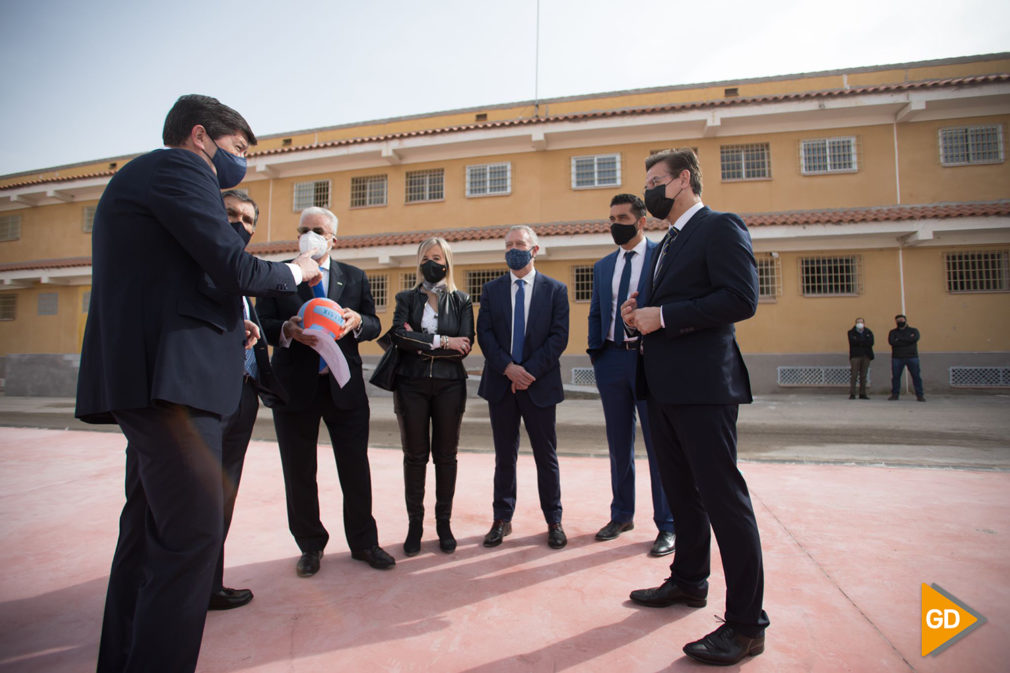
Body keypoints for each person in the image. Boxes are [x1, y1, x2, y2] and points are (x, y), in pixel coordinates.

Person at [76, 94, 322, 673]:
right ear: (199, 136)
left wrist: (230, 328)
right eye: (238, 149)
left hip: (160, 382)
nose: (242, 164)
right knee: (189, 542)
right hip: (173, 390)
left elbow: (179, 283)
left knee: (146, 536)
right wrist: (298, 269)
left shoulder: (150, 183)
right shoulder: (179, 169)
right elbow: (232, 267)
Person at [621, 149, 768, 666]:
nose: (649, 192)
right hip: (662, 388)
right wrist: (638, 316)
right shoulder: (663, 245)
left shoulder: (721, 226)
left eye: (655, 181)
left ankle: (748, 626)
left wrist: (665, 316)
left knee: (724, 500)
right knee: (684, 496)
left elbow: (741, 299)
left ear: (683, 180)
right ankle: (689, 580)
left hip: (705, 388)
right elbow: (663, 314)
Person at [257, 206, 396, 575]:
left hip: (343, 388)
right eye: (304, 229)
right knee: (299, 471)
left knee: (355, 469)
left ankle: (364, 543)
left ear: (334, 238)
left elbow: (374, 322)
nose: (310, 235)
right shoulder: (278, 275)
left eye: (318, 230)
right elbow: (262, 324)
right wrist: (286, 329)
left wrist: (357, 322)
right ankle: (310, 545)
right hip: (294, 389)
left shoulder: (354, 277)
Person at [209, 190, 288, 610]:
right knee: (189, 498)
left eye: (247, 219)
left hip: (241, 398)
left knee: (222, 495)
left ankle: (209, 583)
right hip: (202, 402)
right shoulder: (200, 262)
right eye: (230, 214)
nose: (240, 224)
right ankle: (180, 588)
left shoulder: (238, 279)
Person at [587, 193, 675, 556]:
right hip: (611, 361)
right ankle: (621, 513)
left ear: (641, 221)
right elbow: (597, 312)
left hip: (648, 360)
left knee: (660, 446)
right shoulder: (603, 266)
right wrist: (597, 354)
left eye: (622, 217)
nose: (615, 224)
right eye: (611, 218)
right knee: (618, 442)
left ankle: (669, 524)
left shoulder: (662, 257)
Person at [476, 225, 570, 550]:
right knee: (505, 455)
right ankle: (502, 519)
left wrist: (526, 372)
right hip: (501, 385)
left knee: (547, 456)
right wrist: (508, 369)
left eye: (520, 243)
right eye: (509, 244)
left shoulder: (555, 290)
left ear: (535, 249)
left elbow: (558, 338)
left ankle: (554, 520)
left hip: (539, 385)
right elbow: (484, 334)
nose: (514, 248)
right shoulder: (491, 290)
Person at [389, 238, 475, 556]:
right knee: (415, 457)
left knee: (446, 457)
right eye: (426, 257)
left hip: (450, 386)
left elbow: (465, 345)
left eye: (437, 257)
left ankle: (443, 524)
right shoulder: (405, 298)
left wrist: (420, 339)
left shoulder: (462, 300)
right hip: (410, 385)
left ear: (447, 262)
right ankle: (415, 525)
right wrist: (442, 342)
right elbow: (398, 335)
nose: (431, 263)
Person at [888, 314, 925, 401]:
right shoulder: (893, 332)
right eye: (898, 320)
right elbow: (892, 342)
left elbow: (914, 339)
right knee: (896, 377)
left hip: (912, 357)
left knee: (916, 376)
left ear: (905, 320)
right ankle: (895, 394)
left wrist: (899, 339)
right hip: (897, 357)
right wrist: (907, 340)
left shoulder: (913, 330)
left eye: (901, 320)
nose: (900, 322)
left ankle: (920, 395)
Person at [847, 317, 874, 400]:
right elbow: (853, 342)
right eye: (858, 322)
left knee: (863, 375)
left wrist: (860, 341)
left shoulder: (868, 332)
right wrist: (863, 341)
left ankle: (862, 393)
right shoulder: (851, 332)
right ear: (855, 323)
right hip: (855, 356)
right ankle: (852, 393)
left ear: (864, 323)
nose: (860, 323)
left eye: (861, 322)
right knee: (854, 375)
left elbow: (871, 342)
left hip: (866, 355)